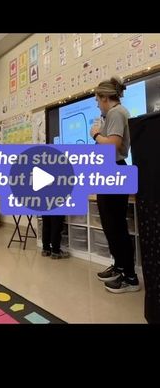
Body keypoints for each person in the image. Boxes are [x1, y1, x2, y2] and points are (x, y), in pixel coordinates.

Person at [90, 76, 140, 293]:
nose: (97, 104)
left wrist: (96, 135)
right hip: (110, 170)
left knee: (117, 226)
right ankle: (120, 267)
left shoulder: (116, 112)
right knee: (111, 225)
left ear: (104, 97)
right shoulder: (112, 114)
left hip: (116, 168)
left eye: (97, 100)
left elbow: (113, 145)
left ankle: (130, 277)